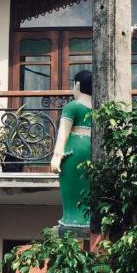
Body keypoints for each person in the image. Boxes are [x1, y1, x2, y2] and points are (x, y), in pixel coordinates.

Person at [50, 70, 92, 233]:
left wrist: (56, 156)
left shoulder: (73, 106)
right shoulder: (98, 108)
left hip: (74, 151)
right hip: (91, 151)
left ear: (78, 85)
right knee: (87, 185)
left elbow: (63, 133)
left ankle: (71, 219)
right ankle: (87, 218)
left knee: (71, 186)